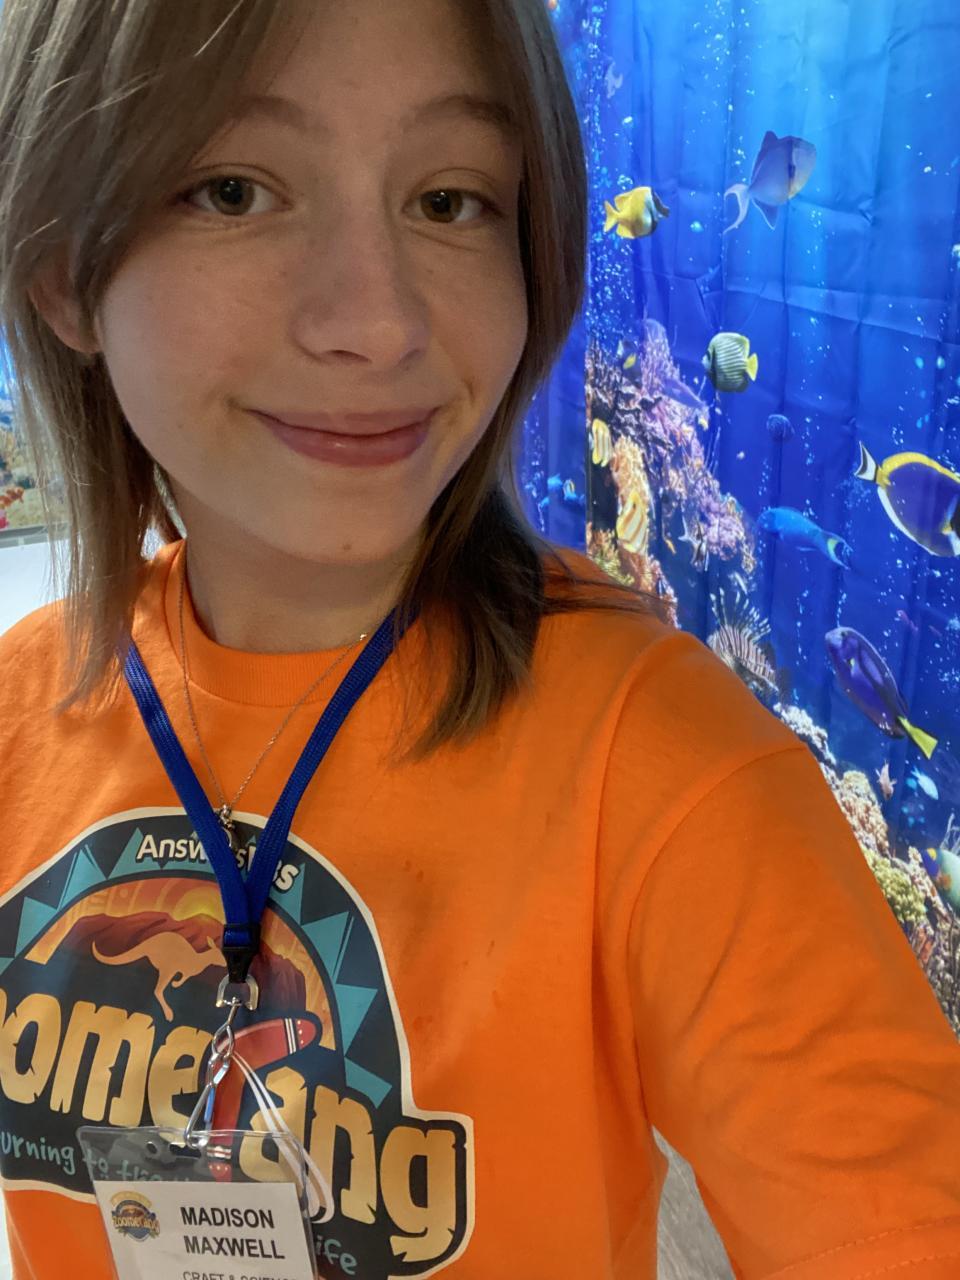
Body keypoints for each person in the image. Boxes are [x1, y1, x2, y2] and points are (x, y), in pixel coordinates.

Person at [0, 1, 958, 1277]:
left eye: (449, 201)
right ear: (65, 270)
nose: (378, 321)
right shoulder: (19, 713)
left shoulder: (671, 776)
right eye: (234, 190)